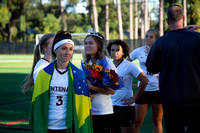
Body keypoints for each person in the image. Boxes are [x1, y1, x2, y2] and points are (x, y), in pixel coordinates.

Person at [145, 5, 200, 133]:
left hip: (172, 100)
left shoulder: (160, 42)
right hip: (196, 98)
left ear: (167, 21)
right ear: (184, 18)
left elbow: (151, 68)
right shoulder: (197, 38)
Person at [29, 31, 93, 133]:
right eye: (63, 48)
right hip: (47, 126)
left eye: (70, 49)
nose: (68, 53)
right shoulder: (43, 74)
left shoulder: (79, 75)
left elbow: (83, 105)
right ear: (55, 49)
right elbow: (38, 103)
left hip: (68, 126)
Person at [107, 40, 148, 133]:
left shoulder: (129, 65)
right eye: (112, 50)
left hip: (124, 107)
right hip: (109, 107)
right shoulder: (107, 65)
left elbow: (144, 80)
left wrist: (134, 98)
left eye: (118, 50)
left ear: (123, 52)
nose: (115, 52)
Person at [128, 29, 163, 133]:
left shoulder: (161, 50)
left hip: (158, 90)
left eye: (151, 37)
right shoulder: (139, 51)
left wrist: (161, 74)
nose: (148, 39)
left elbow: (169, 65)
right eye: (146, 36)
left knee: (157, 120)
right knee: (137, 122)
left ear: (156, 39)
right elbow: (127, 63)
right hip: (143, 90)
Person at [81, 27, 116, 133]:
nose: (87, 46)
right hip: (87, 111)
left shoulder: (107, 63)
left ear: (99, 45)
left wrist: (92, 87)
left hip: (103, 112)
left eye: (91, 43)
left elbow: (113, 90)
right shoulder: (85, 64)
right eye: (86, 43)